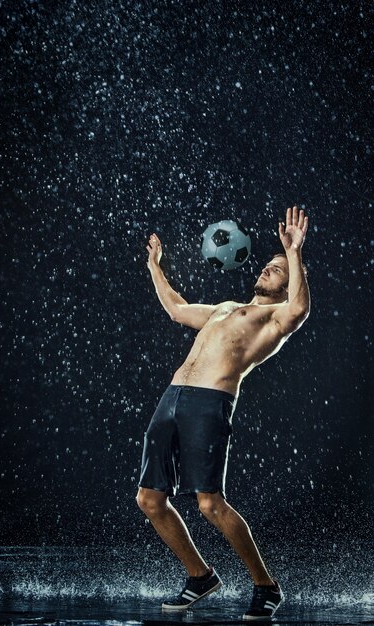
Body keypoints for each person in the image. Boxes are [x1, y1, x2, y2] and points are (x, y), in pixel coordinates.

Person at [136, 206, 310, 620]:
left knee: (210, 504)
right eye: (268, 263)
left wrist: (295, 252)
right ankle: (200, 576)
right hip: (172, 397)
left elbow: (300, 308)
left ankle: (266, 587)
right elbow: (177, 309)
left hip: (209, 404)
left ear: (287, 286)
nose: (269, 269)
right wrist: (154, 266)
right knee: (148, 499)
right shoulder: (224, 307)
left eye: (277, 269)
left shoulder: (274, 318)